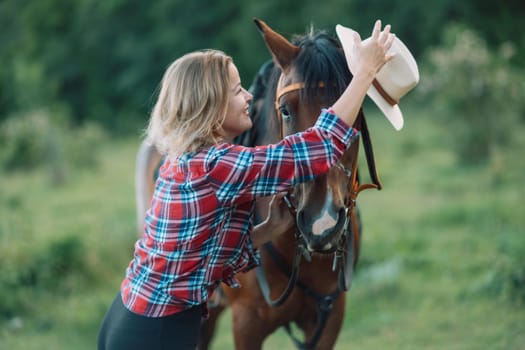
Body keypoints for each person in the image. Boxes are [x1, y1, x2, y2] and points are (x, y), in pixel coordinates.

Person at [98, 20, 395, 350]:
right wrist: (365, 73)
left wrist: (265, 232)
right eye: (237, 90)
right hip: (158, 334)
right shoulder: (215, 165)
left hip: (132, 319)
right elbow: (315, 149)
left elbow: (200, 256)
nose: (250, 95)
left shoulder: (185, 159)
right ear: (211, 107)